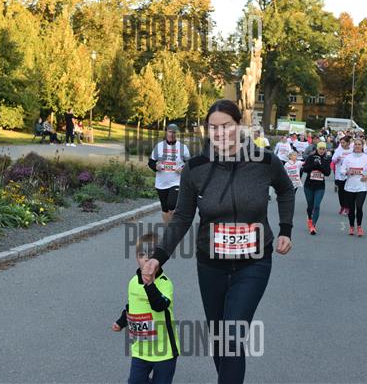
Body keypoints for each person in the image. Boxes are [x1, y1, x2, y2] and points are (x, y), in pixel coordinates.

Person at [143, 99, 294, 384]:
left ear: (240, 126)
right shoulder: (195, 168)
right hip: (211, 265)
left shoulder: (264, 161)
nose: (220, 133)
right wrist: (158, 257)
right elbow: (182, 217)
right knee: (219, 338)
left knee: (232, 335)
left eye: (226, 126)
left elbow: (286, 190)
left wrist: (285, 229)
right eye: (213, 128)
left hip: (254, 262)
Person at [112, 233, 178, 384]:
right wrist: (121, 322)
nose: (146, 259)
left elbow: (159, 306)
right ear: (136, 258)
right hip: (141, 350)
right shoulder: (133, 282)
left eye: (151, 255)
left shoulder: (165, 283)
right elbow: (132, 307)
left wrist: (149, 285)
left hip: (164, 351)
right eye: (142, 255)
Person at [148, 124, 191, 224]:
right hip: (161, 183)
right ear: (166, 132)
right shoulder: (159, 146)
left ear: (177, 134)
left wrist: (183, 168)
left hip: (176, 182)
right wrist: (155, 167)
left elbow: (189, 163)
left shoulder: (182, 147)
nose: (172, 134)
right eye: (170, 132)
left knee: (171, 205)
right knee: (165, 209)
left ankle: (174, 228)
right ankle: (169, 229)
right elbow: (151, 162)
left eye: (174, 132)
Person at [340, 138, 367, 237]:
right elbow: (342, 171)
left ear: (362, 146)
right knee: (351, 208)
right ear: (353, 146)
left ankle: (359, 226)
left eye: (359, 144)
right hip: (350, 186)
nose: (357, 146)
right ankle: (351, 226)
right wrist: (347, 172)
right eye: (356, 144)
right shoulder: (348, 157)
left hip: (362, 186)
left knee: (359, 207)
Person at [301, 141, 331, 235]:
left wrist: (320, 166)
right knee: (310, 205)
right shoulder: (311, 157)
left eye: (323, 149)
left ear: (325, 150)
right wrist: (313, 165)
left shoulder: (326, 159)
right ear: (317, 149)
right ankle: (310, 218)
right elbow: (304, 169)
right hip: (309, 186)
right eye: (320, 149)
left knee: (317, 206)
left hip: (320, 187)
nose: (322, 151)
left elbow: (327, 173)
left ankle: (313, 225)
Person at [331, 136, 353, 216]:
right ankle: (342, 206)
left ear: (348, 143)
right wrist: (337, 159)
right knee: (341, 192)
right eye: (341, 143)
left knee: (348, 191)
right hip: (340, 174)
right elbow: (333, 160)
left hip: (349, 174)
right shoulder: (338, 150)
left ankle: (347, 207)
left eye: (343, 142)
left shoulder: (352, 151)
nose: (342, 144)